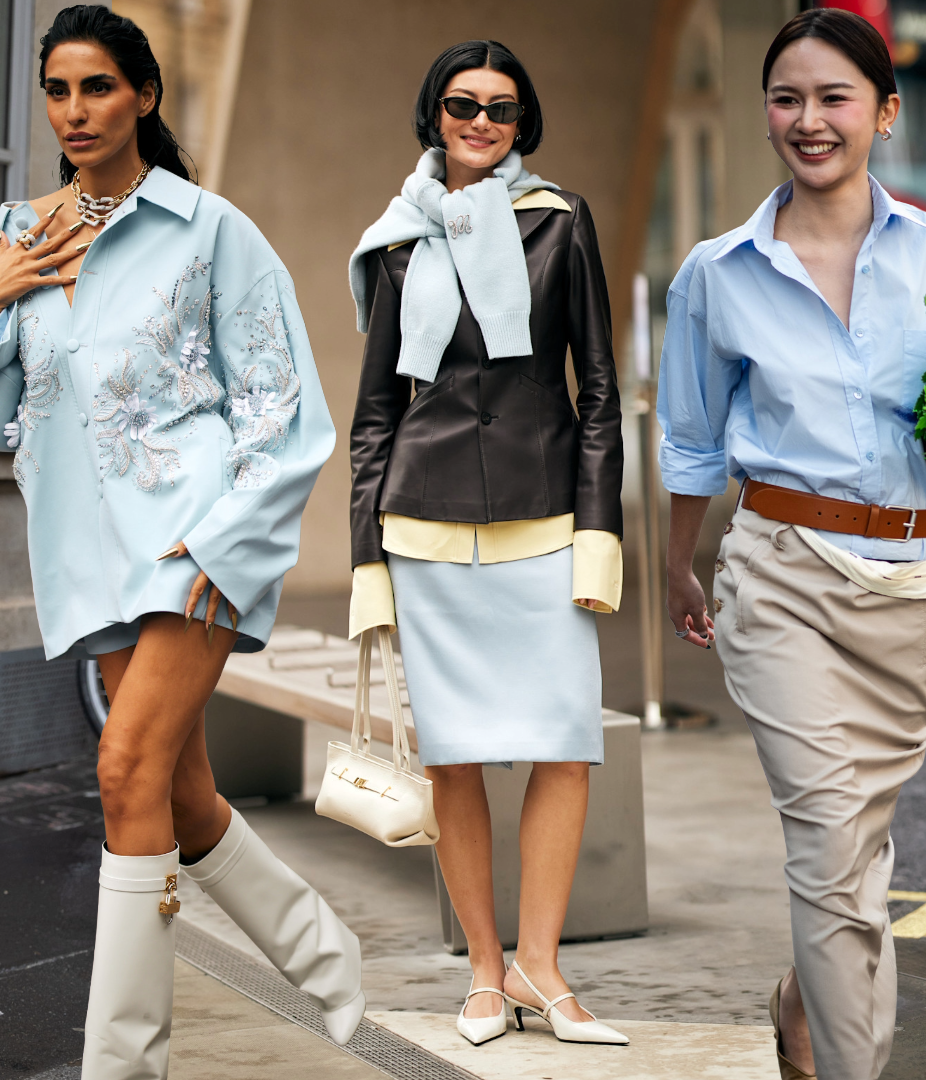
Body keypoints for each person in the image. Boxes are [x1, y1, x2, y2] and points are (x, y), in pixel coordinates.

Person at [0, 7, 356, 1077]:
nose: (76, 111)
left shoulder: (212, 231)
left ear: (144, 97)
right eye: (59, 91)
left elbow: (280, 408)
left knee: (121, 768)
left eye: (99, 88)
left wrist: (228, 544)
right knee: (174, 790)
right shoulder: (21, 231)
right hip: (87, 555)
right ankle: (327, 958)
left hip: (191, 543)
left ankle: (122, 1064)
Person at [659, 10, 926, 1079]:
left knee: (855, 848)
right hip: (781, 573)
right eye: (786, 98)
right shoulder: (716, 274)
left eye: (834, 98)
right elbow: (687, 439)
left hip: (914, 586)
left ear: (885, 114)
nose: (807, 121)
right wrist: (680, 560)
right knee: (829, 845)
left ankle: (804, 1002)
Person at [346, 39, 625, 1049]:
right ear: (433, 114)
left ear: (523, 125)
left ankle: (542, 966)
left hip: (547, 520)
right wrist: (366, 562)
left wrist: (601, 534)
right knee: (455, 760)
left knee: (564, 745)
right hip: (422, 529)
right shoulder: (396, 239)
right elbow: (375, 413)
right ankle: (482, 972)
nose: (480, 122)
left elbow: (597, 390)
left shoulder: (560, 221)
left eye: (501, 110)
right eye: (462, 105)